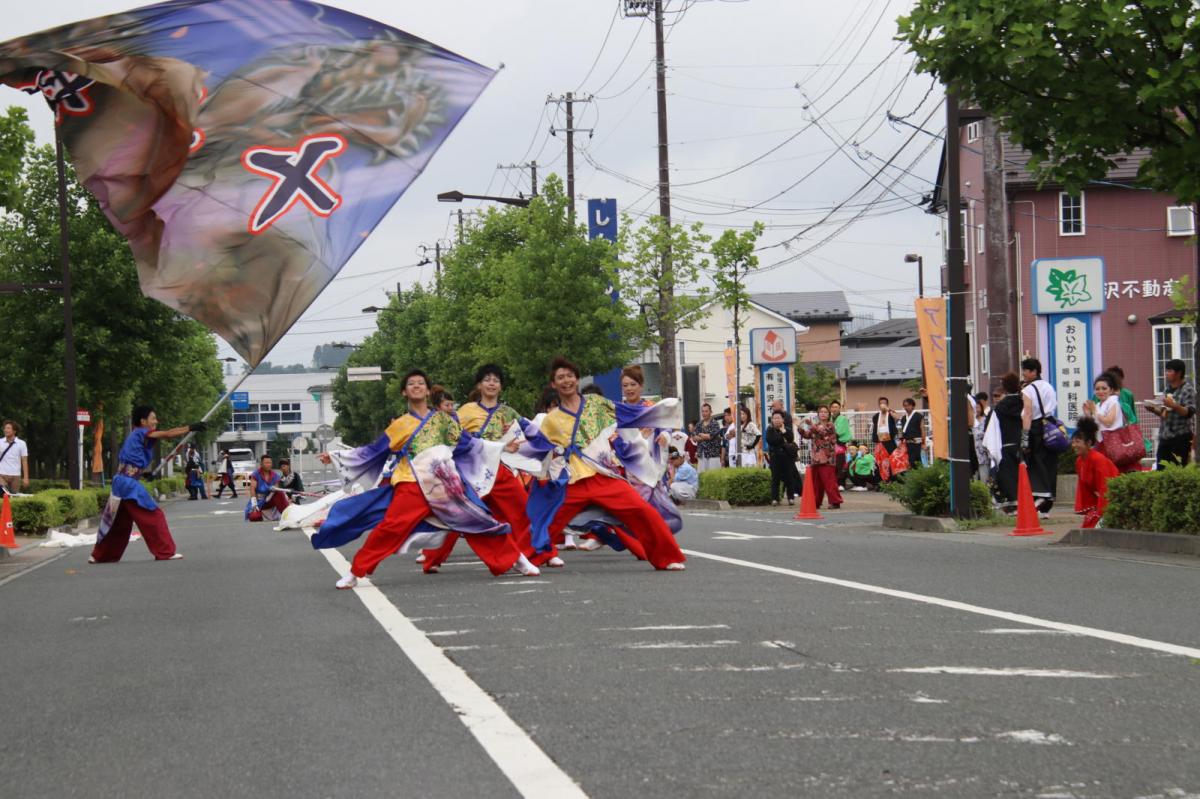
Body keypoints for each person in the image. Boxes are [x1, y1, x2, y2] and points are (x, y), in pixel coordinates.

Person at [321, 369, 537, 590]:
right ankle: (355, 572)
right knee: (391, 527)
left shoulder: (442, 420)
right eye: (411, 384)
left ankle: (517, 559)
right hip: (411, 483)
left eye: (421, 383)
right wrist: (337, 457)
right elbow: (373, 451)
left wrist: (502, 447)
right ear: (404, 392)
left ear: (427, 391)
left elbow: (468, 443)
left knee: (476, 519)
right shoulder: (400, 425)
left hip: (444, 484)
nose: (416, 386)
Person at [529, 356, 686, 571]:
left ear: (577, 379)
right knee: (547, 520)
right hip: (573, 482)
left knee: (642, 510)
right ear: (553, 384)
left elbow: (627, 413)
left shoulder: (595, 403)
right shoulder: (551, 420)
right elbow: (538, 448)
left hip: (603, 476)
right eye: (560, 377)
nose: (566, 381)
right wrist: (510, 448)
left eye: (570, 376)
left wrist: (661, 414)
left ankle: (666, 557)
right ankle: (523, 558)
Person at [424, 363, 563, 572]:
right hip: (472, 472)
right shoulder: (466, 411)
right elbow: (452, 436)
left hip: (498, 470)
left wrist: (552, 446)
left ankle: (543, 553)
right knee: (460, 515)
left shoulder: (507, 412)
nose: (491, 384)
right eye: (487, 380)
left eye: (496, 380)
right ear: (479, 385)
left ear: (501, 386)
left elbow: (531, 431)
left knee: (525, 510)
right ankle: (432, 559)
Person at [89, 406, 202, 563]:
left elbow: (133, 462)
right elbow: (168, 434)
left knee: (118, 523)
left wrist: (144, 473)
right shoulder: (142, 432)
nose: (156, 421)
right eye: (153, 418)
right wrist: (190, 428)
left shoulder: (137, 435)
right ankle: (165, 551)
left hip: (122, 482)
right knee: (154, 515)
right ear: (143, 421)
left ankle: (100, 556)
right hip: (127, 484)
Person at [1020, 357, 1059, 513]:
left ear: (1034, 372)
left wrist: (1024, 436)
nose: (1023, 373)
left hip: (1036, 427)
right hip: (1050, 424)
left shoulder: (1028, 390)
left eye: (1026, 370)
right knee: (1050, 461)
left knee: (1036, 460)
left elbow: (1028, 413)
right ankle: (1047, 502)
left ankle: (1041, 494)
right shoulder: (1049, 386)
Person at [985, 372, 1025, 514]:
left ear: (1005, 387)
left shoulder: (1000, 407)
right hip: (1022, 444)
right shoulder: (1024, 402)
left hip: (1005, 445)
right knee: (1023, 474)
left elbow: (992, 430)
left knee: (1007, 475)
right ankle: (1025, 503)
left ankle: (1012, 504)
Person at [1071, 417, 1119, 529]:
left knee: (1096, 527)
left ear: (1088, 443)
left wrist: (1102, 512)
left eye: (1077, 442)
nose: (1074, 445)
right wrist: (1091, 509)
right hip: (1099, 501)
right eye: (1073, 442)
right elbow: (1084, 489)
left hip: (1112, 499)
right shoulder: (1079, 461)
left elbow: (1105, 486)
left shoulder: (1098, 459)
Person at [1148, 358, 1195, 469]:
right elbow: (1164, 414)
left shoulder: (1188, 389)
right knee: (1161, 469)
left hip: (1181, 436)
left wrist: (1174, 405)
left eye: (1169, 371)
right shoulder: (1167, 390)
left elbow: (1189, 412)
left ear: (1179, 373)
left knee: (1177, 469)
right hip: (1165, 436)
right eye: (1166, 370)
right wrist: (1153, 409)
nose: (1166, 373)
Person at [798, 404, 843, 509]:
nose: (823, 414)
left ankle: (835, 501)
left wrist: (811, 425)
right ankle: (816, 502)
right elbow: (807, 435)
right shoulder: (816, 425)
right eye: (821, 412)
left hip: (827, 458)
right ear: (818, 414)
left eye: (825, 412)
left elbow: (822, 432)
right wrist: (800, 427)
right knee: (816, 483)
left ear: (829, 414)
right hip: (816, 458)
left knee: (829, 481)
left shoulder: (830, 425)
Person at [764, 409, 800, 505]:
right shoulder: (770, 430)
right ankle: (775, 499)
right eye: (774, 418)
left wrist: (783, 432)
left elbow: (790, 438)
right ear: (772, 420)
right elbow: (772, 441)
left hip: (787, 457)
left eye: (779, 418)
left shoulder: (787, 429)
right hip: (775, 457)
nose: (777, 420)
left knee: (789, 478)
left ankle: (791, 498)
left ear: (783, 419)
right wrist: (782, 437)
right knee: (775, 478)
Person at [246, 454, 289, 521]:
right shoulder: (256, 474)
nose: (269, 464)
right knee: (254, 517)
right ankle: (261, 514)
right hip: (259, 501)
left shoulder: (275, 475)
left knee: (279, 493)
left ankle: (287, 514)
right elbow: (252, 489)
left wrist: (271, 493)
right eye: (266, 463)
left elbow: (276, 488)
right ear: (261, 464)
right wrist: (254, 503)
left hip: (270, 499)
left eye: (270, 463)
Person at [0, 420, 29, 495]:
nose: (5, 430)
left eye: (8, 428)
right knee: (4, 494)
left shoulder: (22, 443)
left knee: (14, 496)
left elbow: (24, 461)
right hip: (1, 474)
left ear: (14, 431)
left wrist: (26, 477)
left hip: (15, 475)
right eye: (5, 428)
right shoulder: (0, 442)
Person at [694, 403, 724, 472]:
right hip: (701, 453)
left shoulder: (715, 423)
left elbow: (711, 436)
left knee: (713, 474)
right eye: (703, 411)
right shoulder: (699, 424)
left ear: (711, 412)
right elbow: (694, 437)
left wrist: (701, 435)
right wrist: (705, 436)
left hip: (713, 454)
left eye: (706, 411)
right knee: (701, 474)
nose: (704, 413)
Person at [899, 397, 924, 472]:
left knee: (917, 461)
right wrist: (901, 441)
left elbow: (922, 429)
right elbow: (902, 430)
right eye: (905, 406)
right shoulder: (903, 418)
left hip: (917, 443)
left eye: (908, 405)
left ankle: (919, 475)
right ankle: (912, 476)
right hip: (907, 443)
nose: (906, 407)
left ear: (913, 406)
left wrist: (924, 443)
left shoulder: (919, 416)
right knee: (909, 461)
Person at [830, 400, 852, 485]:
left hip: (840, 443)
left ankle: (841, 483)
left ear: (839, 408)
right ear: (830, 409)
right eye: (833, 407)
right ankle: (835, 482)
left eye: (836, 407)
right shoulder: (830, 418)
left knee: (840, 463)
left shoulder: (842, 418)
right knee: (833, 464)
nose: (834, 409)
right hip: (832, 443)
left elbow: (839, 431)